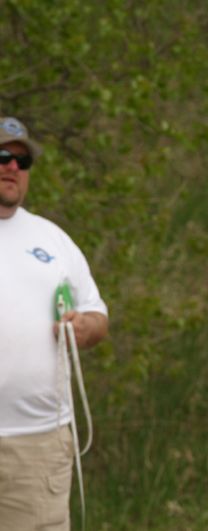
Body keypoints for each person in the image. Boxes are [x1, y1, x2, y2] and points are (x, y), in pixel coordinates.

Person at [0, 116, 109, 529]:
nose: (12, 167)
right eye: (3, 156)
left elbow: (98, 315)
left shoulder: (53, 241)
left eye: (21, 162)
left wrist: (86, 327)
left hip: (37, 445)